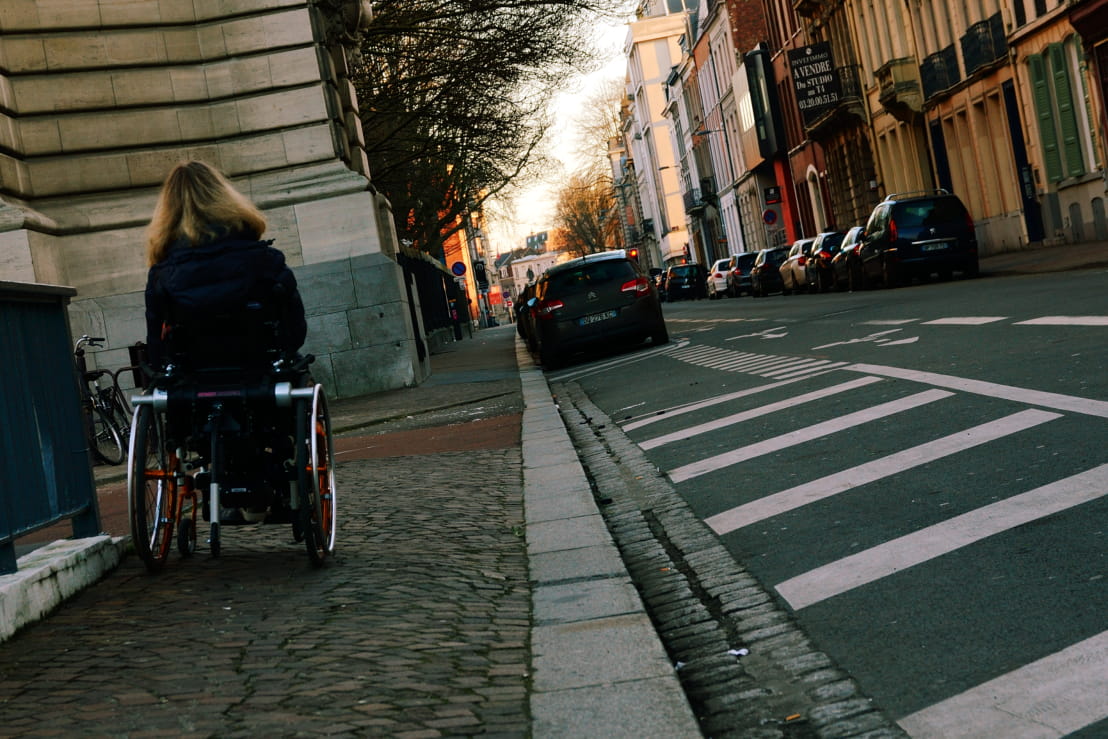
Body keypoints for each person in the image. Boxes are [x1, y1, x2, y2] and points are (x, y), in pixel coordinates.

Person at [143, 161, 307, 370]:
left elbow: (156, 349)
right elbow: (295, 330)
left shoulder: (162, 276)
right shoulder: (266, 260)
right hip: (260, 370)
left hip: (194, 378)